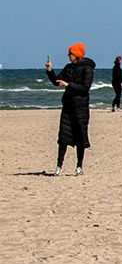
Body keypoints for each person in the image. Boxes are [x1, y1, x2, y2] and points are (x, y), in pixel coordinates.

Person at [45, 43, 94, 175]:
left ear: (77, 54)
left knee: (80, 137)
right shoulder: (68, 68)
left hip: (81, 107)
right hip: (68, 106)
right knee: (63, 137)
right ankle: (59, 166)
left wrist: (68, 84)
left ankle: (79, 167)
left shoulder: (87, 68)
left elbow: (85, 88)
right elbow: (57, 82)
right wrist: (50, 71)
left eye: (70, 53)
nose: (68, 55)